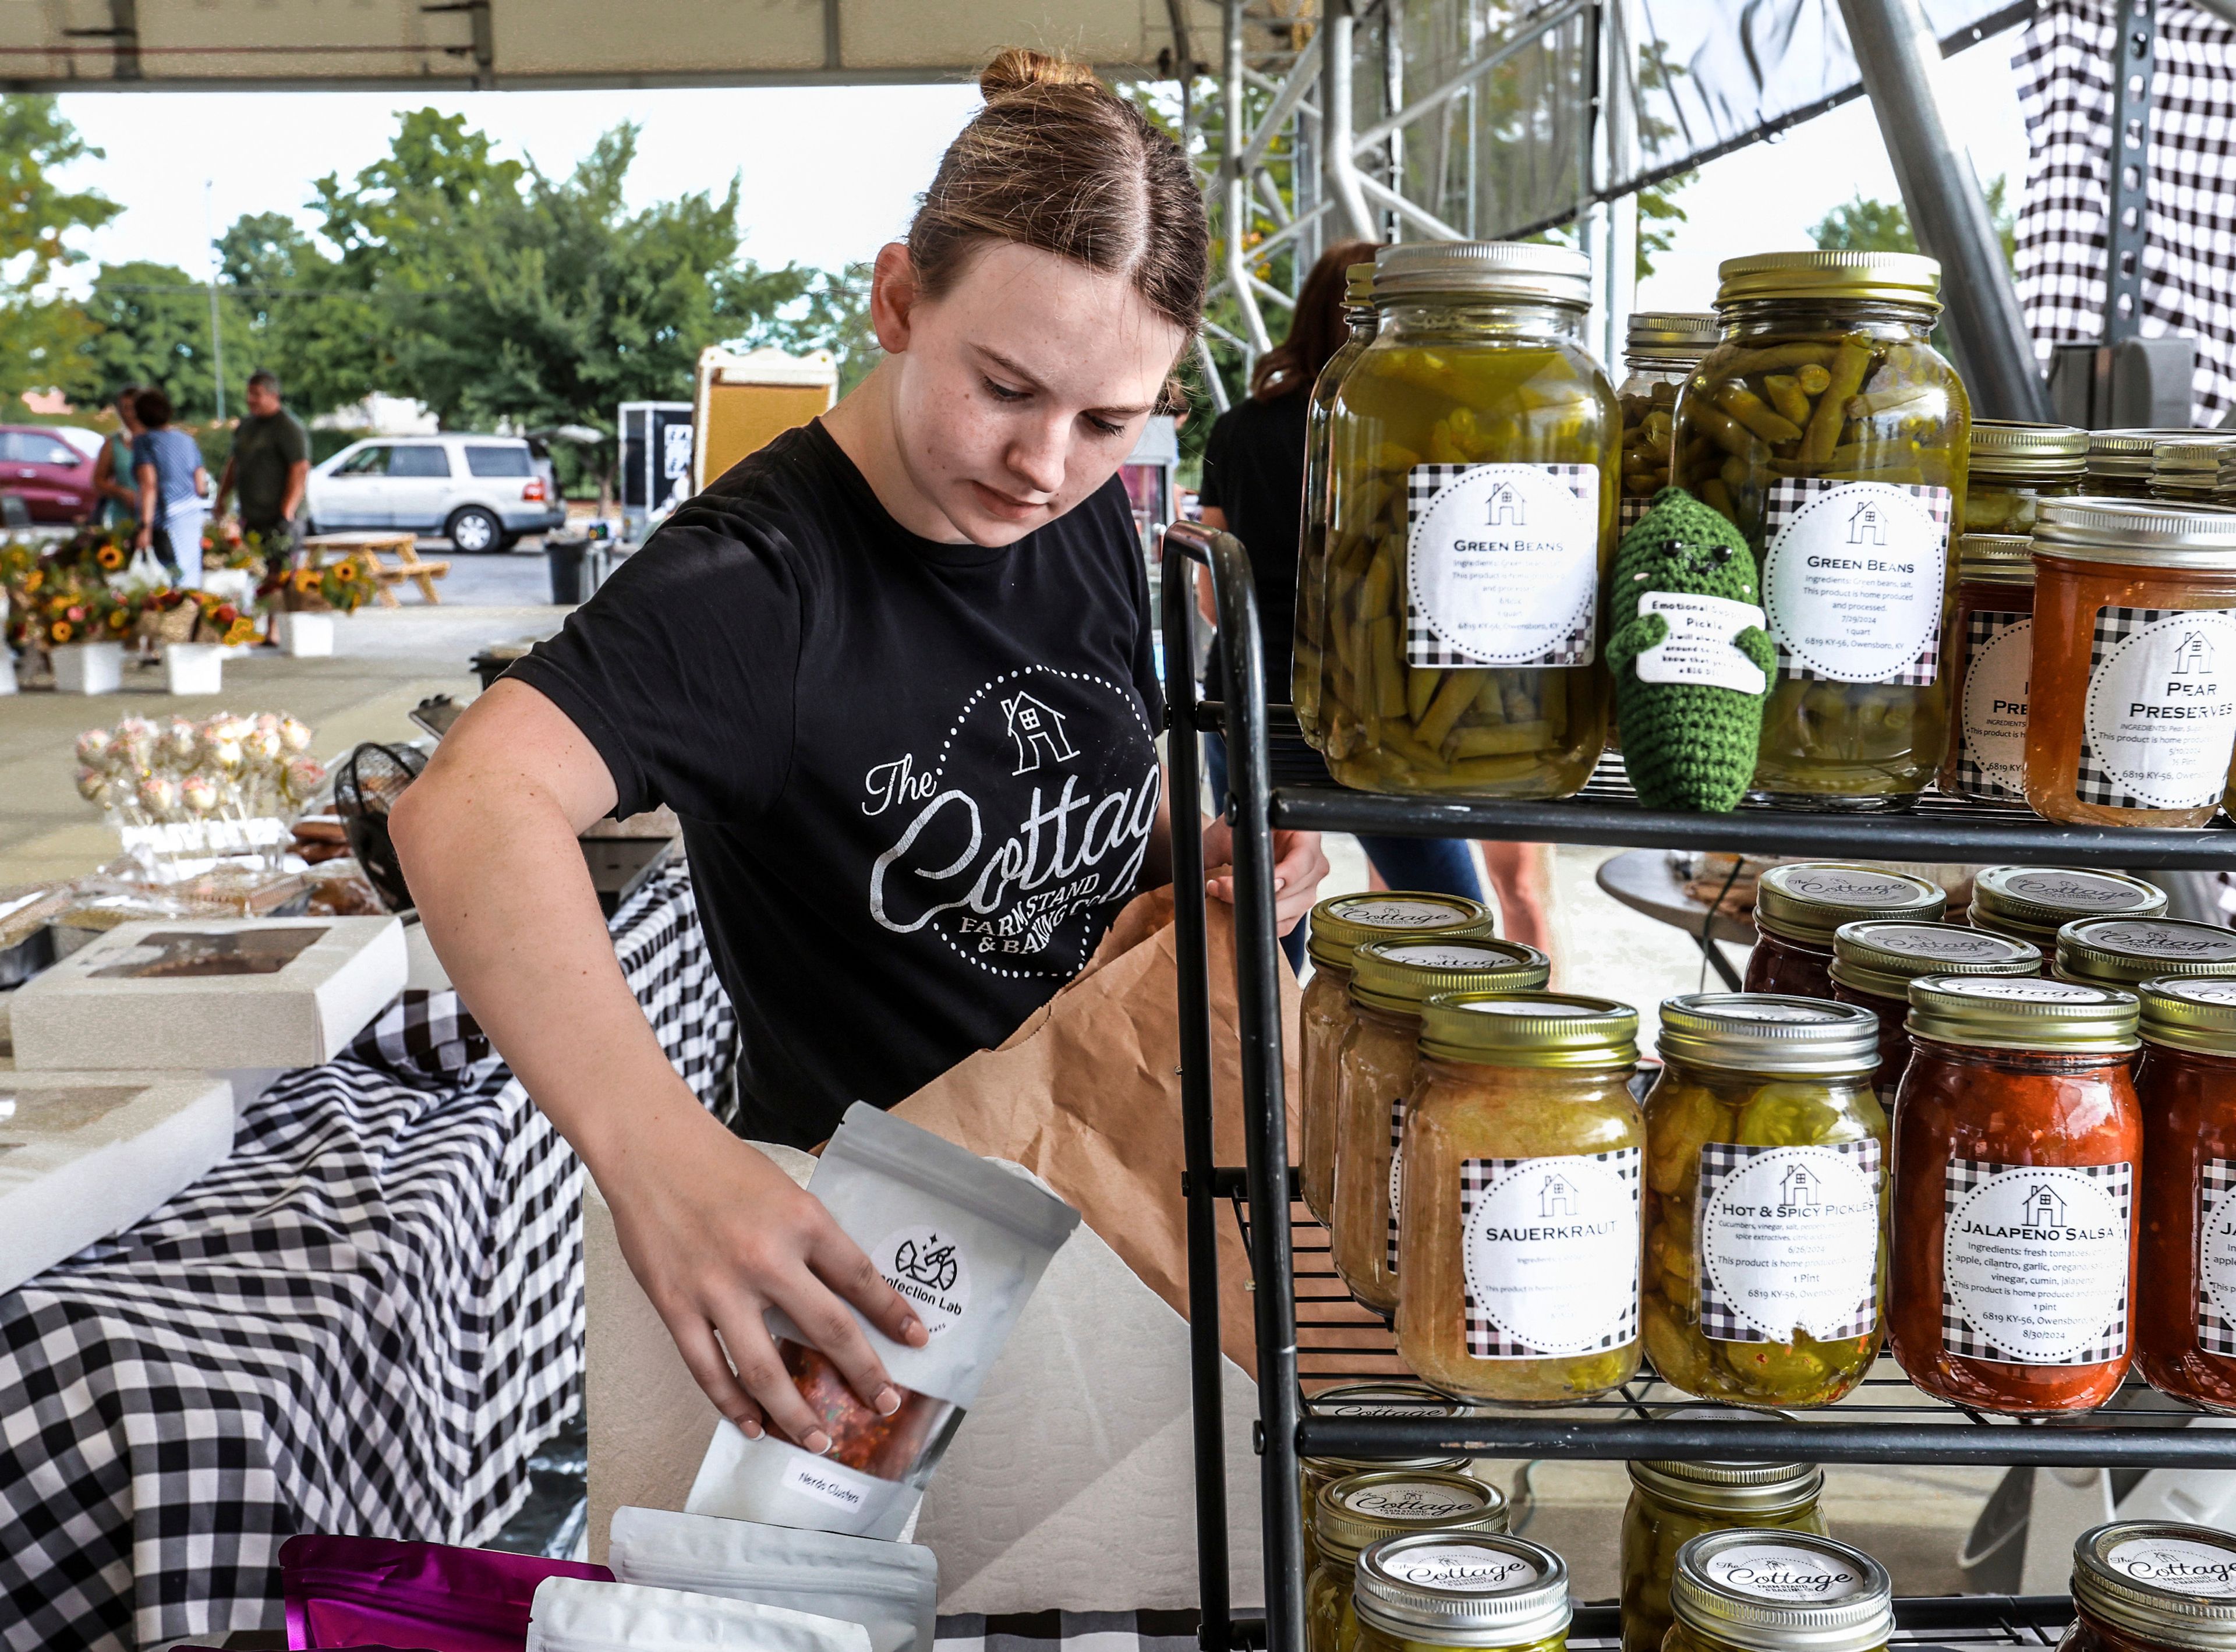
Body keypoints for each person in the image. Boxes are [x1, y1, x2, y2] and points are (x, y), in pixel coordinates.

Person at [391, 50, 1331, 1452]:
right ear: (897, 300)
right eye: (1003, 387)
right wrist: (660, 1158)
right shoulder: (756, 584)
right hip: (880, 1266)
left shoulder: (1067, 499)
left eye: (1108, 419)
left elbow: (1080, 735)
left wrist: (1175, 847)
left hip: (1112, 1175)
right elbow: (468, 805)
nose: (1043, 463)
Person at [1193, 242, 1490, 950]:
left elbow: (1212, 592)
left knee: (1269, 912)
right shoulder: (1423, 428)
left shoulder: (1239, 429)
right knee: (1450, 916)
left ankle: (1287, 1054)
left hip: (1251, 690)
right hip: (1381, 694)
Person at [216, 369, 310, 580]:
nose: (251, 400)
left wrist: (288, 509)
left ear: (273, 396)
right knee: (255, 574)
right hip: (251, 517)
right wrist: (221, 498)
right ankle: (261, 613)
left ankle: (280, 614)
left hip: (280, 519)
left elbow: (300, 468)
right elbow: (234, 462)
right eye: (249, 394)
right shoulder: (246, 425)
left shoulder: (288, 427)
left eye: (257, 394)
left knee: (281, 576)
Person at [132, 388, 210, 586]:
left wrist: (145, 527)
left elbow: (149, 485)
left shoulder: (146, 442)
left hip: (166, 516)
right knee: (191, 576)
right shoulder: (187, 440)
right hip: (192, 512)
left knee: (167, 578)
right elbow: (201, 484)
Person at [90, 385, 144, 535]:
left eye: (131, 408)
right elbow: (98, 481)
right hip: (123, 517)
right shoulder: (114, 443)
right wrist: (121, 492)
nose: (127, 414)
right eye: (122, 408)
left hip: (154, 515)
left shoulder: (156, 440)